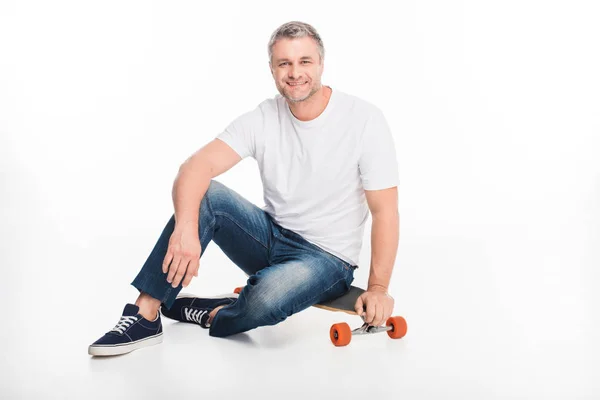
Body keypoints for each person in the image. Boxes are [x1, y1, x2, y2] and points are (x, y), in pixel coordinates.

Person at [88, 21, 400, 356]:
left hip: (327, 259)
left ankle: (218, 313)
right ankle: (146, 314)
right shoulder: (264, 117)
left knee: (264, 299)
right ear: (272, 69)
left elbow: (385, 212)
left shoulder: (363, 120)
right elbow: (194, 169)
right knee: (205, 195)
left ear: (321, 64)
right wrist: (186, 228)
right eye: (284, 63)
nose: (295, 73)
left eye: (304, 62)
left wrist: (379, 288)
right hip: (270, 239)